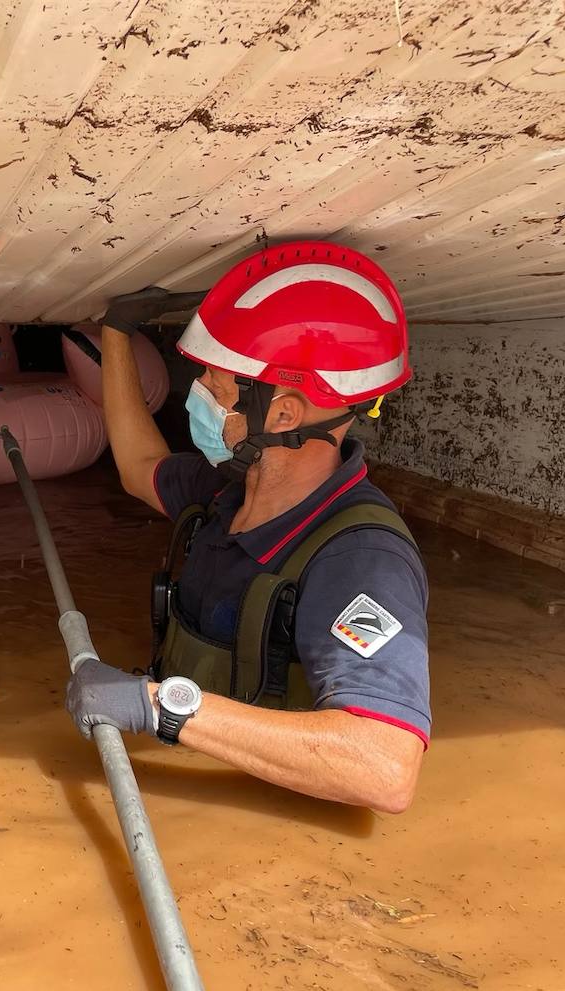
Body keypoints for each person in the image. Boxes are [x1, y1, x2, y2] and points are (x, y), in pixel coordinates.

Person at [67, 242, 429, 814]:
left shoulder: (358, 558)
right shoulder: (228, 491)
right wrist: (116, 335)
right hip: (195, 784)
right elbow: (140, 470)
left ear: (282, 414)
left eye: (216, 381)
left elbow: (384, 769)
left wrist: (158, 706)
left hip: (274, 826)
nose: (200, 394)